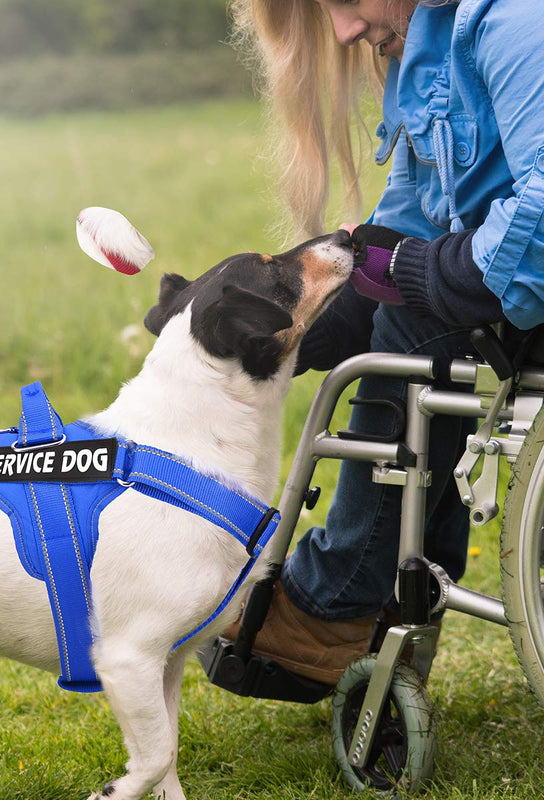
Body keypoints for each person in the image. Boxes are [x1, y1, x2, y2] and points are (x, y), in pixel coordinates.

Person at [227, 0, 544, 686]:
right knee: (410, 301)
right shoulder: (430, 44)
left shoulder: (520, 22)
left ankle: (334, 605)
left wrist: (419, 273)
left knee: (418, 318)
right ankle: (375, 609)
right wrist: (282, 322)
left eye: (344, 0)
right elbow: (405, 225)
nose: (342, 30)